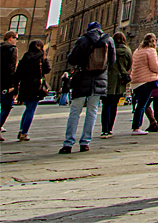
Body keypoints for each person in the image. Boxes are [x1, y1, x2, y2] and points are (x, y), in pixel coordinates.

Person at [59, 22, 115, 153]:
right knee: (92, 111)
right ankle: (85, 142)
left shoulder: (83, 40)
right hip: (99, 80)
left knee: (75, 111)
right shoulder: (109, 40)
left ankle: (68, 143)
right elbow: (112, 61)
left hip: (82, 78)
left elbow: (72, 59)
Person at [13, 40, 50, 141]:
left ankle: (21, 130)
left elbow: (18, 72)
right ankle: (24, 133)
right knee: (31, 109)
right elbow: (47, 69)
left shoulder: (26, 56)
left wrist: (16, 87)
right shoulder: (42, 56)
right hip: (36, 85)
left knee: (27, 108)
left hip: (25, 84)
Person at [129, 33, 158, 135]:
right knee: (142, 105)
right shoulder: (151, 51)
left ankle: (137, 126)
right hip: (146, 81)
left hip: (135, 81)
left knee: (140, 104)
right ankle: (136, 127)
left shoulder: (137, 51)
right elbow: (154, 67)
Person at [101, 31, 132, 137]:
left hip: (108, 79)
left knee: (106, 105)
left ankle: (104, 129)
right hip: (119, 81)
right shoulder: (127, 51)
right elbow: (129, 66)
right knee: (114, 106)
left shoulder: (108, 50)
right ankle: (110, 128)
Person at [0, 30, 19, 141]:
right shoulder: (12, 50)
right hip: (5, 83)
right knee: (6, 107)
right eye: (16, 38)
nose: (16, 40)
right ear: (10, 38)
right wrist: (11, 85)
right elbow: (11, 68)